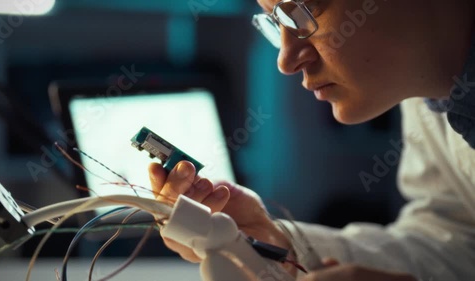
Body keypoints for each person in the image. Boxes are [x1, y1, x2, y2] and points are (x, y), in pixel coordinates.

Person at [149, 0, 475, 280]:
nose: (286, 61)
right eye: (276, 22)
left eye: (305, 11)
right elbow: (458, 245)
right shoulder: (427, 91)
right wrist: (277, 244)